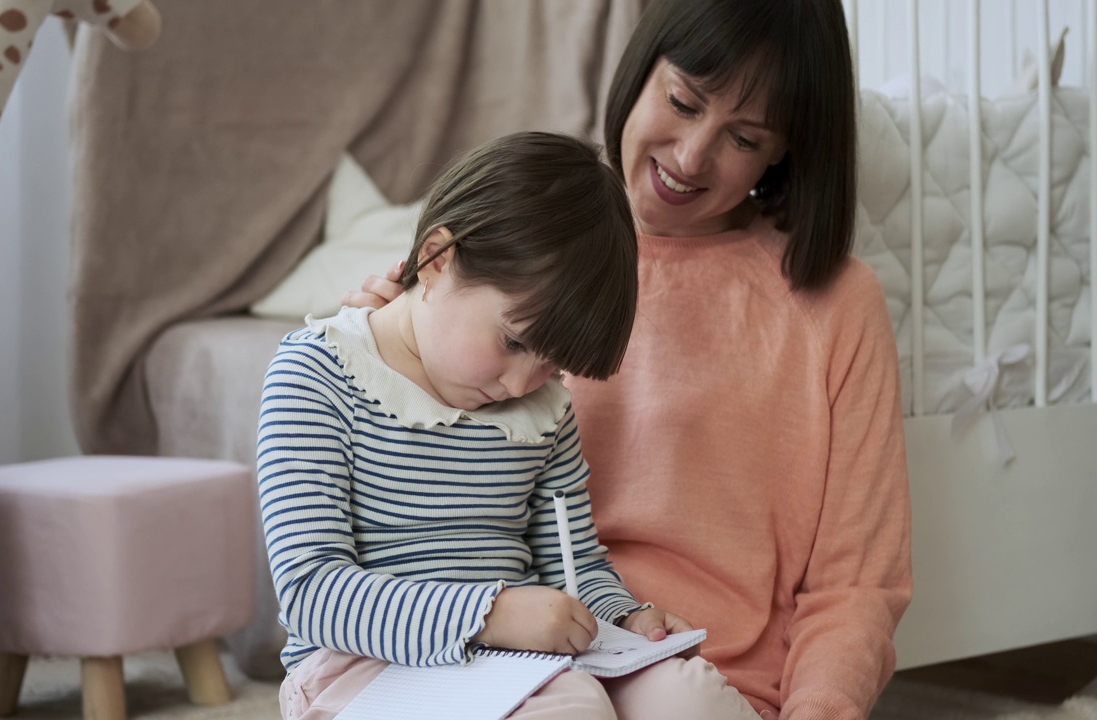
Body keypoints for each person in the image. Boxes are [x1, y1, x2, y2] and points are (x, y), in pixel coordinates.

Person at [341, 1, 913, 718]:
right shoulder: (523, 249)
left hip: (705, 677)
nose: (691, 156)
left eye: (743, 137)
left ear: (785, 151)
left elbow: (855, 584)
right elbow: (397, 520)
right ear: (639, 69)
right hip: (508, 658)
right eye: (682, 101)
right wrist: (392, 348)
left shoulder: (836, 304)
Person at [259, 131, 761, 720]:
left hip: (518, 656)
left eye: (551, 362)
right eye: (514, 341)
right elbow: (310, 593)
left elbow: (573, 562)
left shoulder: (542, 408)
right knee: (570, 710)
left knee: (691, 698)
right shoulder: (317, 373)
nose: (524, 384)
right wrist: (490, 616)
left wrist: (626, 615)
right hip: (361, 665)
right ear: (439, 258)